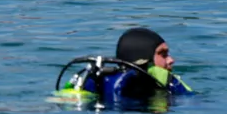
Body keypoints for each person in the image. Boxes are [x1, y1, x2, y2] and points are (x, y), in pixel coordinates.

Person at [55, 27, 193, 105]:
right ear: (144, 60)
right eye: (163, 54)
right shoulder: (165, 82)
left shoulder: (97, 80)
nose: (171, 60)